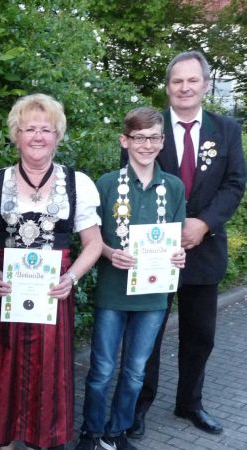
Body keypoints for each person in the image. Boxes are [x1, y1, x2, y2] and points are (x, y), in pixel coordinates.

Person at [126, 51, 246, 439]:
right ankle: (138, 405)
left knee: (200, 335)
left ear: (206, 85)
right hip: (154, 253)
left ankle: (190, 403)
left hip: (205, 249)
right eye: (177, 81)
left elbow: (234, 184)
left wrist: (204, 223)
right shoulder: (149, 129)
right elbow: (130, 183)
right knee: (148, 334)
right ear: (167, 87)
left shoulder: (226, 129)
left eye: (193, 80)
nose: (185, 87)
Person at [0, 93, 103, 450]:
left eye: (46, 129)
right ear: (16, 134)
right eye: (29, 128)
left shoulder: (77, 183)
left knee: (48, 376)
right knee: (4, 372)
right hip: (7, 296)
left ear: (57, 136)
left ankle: (43, 441)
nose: (37, 136)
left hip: (53, 297)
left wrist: (71, 278)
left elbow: (94, 243)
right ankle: (4, 442)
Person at [76, 107, 186, 450]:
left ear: (163, 141)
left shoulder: (174, 187)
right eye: (139, 137)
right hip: (113, 293)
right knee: (102, 369)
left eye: (154, 137)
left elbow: (176, 239)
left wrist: (179, 256)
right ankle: (91, 432)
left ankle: (117, 431)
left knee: (136, 370)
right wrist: (111, 253)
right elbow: (92, 240)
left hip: (153, 297)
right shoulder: (107, 184)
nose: (146, 144)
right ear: (124, 140)